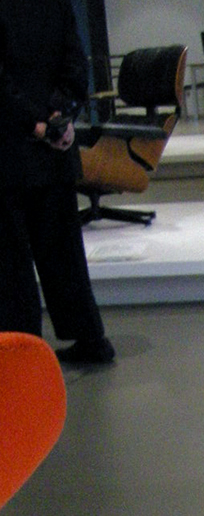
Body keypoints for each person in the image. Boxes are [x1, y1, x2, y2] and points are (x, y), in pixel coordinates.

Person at [0, 0, 114, 364]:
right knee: (64, 252)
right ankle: (90, 339)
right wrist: (58, 118)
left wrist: (35, 123)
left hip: (9, 148)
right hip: (55, 147)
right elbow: (76, 66)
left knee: (13, 262)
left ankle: (23, 353)